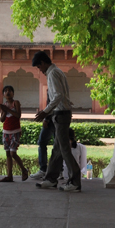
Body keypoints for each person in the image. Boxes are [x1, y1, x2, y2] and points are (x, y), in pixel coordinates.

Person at [32, 51, 81, 192]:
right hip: (61, 113)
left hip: (61, 113)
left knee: (64, 149)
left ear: (42, 62)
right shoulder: (57, 71)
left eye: (38, 67)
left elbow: (58, 95)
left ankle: (75, 181)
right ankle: (50, 179)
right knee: (57, 149)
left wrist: (45, 111)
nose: (39, 70)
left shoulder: (53, 73)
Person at [0, 85, 28, 182]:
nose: (8, 92)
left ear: (13, 93)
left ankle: (24, 170)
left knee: (13, 153)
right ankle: (9, 175)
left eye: (10, 90)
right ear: (3, 94)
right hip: (6, 131)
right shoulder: (5, 105)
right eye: (5, 91)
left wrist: (8, 110)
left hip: (15, 131)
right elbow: (2, 120)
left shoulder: (16, 103)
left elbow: (18, 115)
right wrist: (3, 110)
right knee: (7, 153)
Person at [30, 95, 54, 181]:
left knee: (42, 143)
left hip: (52, 118)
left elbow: (52, 103)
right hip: (58, 117)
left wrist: (46, 118)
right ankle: (59, 171)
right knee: (58, 145)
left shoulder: (53, 84)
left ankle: (44, 169)